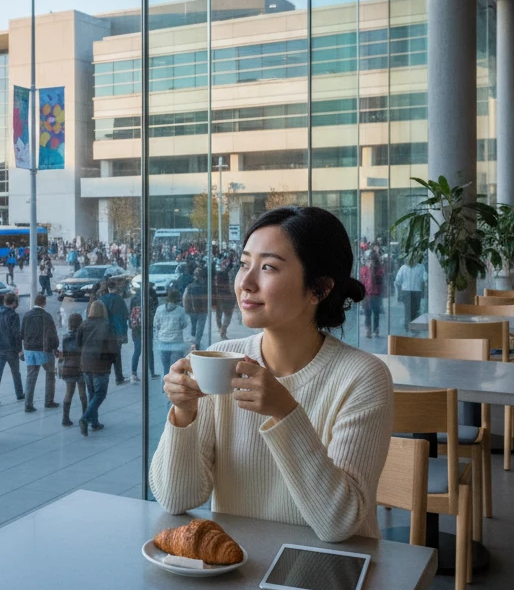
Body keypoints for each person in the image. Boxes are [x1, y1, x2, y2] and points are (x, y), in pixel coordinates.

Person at [151, 206, 392, 543]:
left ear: (319, 288)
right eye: (244, 264)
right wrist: (183, 414)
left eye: (267, 267)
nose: (246, 283)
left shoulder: (362, 376)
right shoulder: (222, 359)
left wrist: (285, 412)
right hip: (239, 572)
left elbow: (338, 523)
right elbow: (177, 499)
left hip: (332, 575)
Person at [78, 300, 119, 436]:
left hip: (86, 364)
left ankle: (94, 422)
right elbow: (112, 348)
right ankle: (85, 418)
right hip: (101, 365)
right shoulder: (106, 325)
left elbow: (78, 343)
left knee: (92, 393)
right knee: (100, 394)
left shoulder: (84, 324)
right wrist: (113, 363)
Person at [20, 293, 59, 413]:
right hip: (43, 350)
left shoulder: (27, 315)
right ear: (44, 303)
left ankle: (28, 404)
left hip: (29, 350)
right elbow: (53, 335)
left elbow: (21, 334)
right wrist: (55, 348)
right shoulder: (46, 316)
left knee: (31, 376)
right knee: (50, 374)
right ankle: (49, 401)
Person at [0, 292, 24, 404]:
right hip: (11, 348)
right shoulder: (13, 315)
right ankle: (19, 394)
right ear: (13, 303)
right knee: (15, 372)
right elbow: (16, 334)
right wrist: (19, 350)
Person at [57, 312, 87, 427]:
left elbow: (63, 353)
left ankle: (65, 418)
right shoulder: (83, 337)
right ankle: (85, 416)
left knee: (69, 392)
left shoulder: (65, 336)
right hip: (80, 367)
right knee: (82, 392)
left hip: (68, 367)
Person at [153, 287, 191, 376]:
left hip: (163, 342)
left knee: (165, 367)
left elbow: (156, 324)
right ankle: (175, 386)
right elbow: (184, 324)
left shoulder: (159, 309)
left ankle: (164, 387)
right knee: (177, 368)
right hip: (177, 342)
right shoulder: (180, 310)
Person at [99, 278, 129, 384]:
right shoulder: (119, 299)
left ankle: (105, 376)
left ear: (108, 288)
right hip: (117, 331)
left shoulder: (102, 299)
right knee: (117, 354)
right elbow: (126, 315)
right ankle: (118, 377)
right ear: (115, 288)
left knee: (106, 354)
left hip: (105, 331)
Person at [129, 283, 158, 382]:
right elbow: (154, 313)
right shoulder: (150, 298)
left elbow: (130, 314)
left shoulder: (134, 298)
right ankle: (152, 372)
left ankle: (133, 373)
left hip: (136, 329)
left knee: (137, 350)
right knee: (149, 350)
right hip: (147, 328)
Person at [394, 255, 426, 330]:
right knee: (412, 309)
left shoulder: (420, 267)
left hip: (411, 291)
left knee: (410, 309)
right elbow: (398, 280)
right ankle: (410, 326)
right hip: (411, 291)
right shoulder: (404, 268)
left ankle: (410, 326)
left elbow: (398, 280)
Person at [360, 250, 385, 338]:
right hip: (366, 295)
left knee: (376, 312)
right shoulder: (363, 270)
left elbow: (378, 283)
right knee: (367, 313)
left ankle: (376, 328)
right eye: (369, 259)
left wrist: (372, 271)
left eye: (372, 259)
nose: (370, 261)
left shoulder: (379, 270)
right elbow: (362, 283)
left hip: (376, 295)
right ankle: (368, 329)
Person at [185, 267, 210, 346]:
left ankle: (196, 340)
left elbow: (186, 298)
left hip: (194, 309)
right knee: (199, 327)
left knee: (195, 325)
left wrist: (187, 308)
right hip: (201, 309)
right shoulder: (205, 286)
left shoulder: (190, 286)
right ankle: (197, 341)